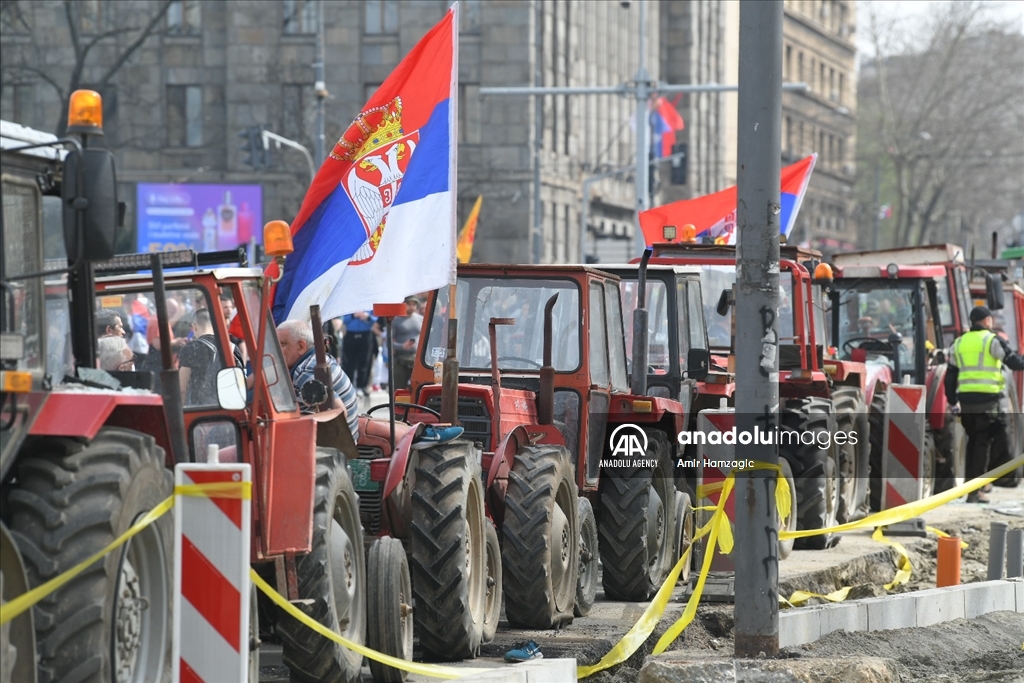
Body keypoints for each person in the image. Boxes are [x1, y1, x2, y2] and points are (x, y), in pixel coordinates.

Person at [945, 305, 1024, 503]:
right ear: (988, 321)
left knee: (974, 442)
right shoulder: (992, 340)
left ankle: (978, 484)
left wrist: (953, 401)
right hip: (987, 402)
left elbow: (950, 376)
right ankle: (975, 490)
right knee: (985, 442)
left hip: (966, 402)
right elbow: (1013, 362)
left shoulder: (959, 343)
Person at [278, 319, 361, 442]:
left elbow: (338, 413)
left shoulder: (304, 372)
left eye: (283, 344)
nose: (278, 350)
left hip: (335, 447)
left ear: (301, 346)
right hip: (350, 436)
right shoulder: (316, 359)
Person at [178, 309, 223, 407]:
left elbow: (182, 388)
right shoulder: (230, 347)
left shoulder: (192, 348)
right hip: (225, 407)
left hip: (199, 409)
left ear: (194, 327)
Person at [392, 296, 424, 390]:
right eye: (409, 304)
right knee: (398, 389)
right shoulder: (395, 320)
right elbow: (388, 343)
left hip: (417, 359)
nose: (411, 307)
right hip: (401, 359)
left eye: (414, 304)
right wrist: (402, 346)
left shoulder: (421, 319)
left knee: (417, 388)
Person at [342, 311, 378, 394]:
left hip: (366, 335)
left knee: (365, 361)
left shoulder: (369, 304)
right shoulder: (348, 305)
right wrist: (353, 316)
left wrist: (367, 317)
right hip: (350, 335)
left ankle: (362, 386)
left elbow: (376, 319)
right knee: (349, 362)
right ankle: (349, 386)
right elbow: (343, 320)